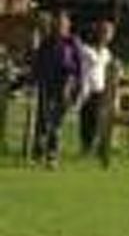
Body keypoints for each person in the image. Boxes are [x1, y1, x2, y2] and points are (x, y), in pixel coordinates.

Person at [28, 9, 81, 167]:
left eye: (63, 23)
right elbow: (38, 64)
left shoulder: (72, 42)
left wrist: (76, 90)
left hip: (65, 86)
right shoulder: (46, 42)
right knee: (42, 120)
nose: (59, 26)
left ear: (68, 25)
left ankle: (52, 155)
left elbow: (78, 70)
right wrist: (33, 81)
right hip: (46, 85)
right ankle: (38, 152)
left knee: (56, 123)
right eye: (57, 23)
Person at [76, 17, 116, 156]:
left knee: (97, 119)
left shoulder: (106, 53)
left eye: (109, 33)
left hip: (100, 91)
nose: (106, 36)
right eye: (104, 32)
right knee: (85, 120)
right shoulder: (86, 50)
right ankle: (86, 148)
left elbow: (110, 69)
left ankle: (95, 147)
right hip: (86, 90)